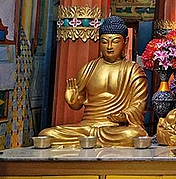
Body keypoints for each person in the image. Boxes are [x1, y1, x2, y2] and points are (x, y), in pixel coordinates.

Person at [39, 16, 148, 147]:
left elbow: (139, 104)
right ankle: (92, 141)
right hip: (87, 127)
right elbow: (78, 103)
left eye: (115, 41)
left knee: (134, 135)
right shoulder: (88, 69)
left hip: (114, 129)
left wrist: (124, 116)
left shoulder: (133, 71)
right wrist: (73, 100)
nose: (109, 47)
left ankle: (92, 141)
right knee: (47, 134)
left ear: (125, 42)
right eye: (104, 41)